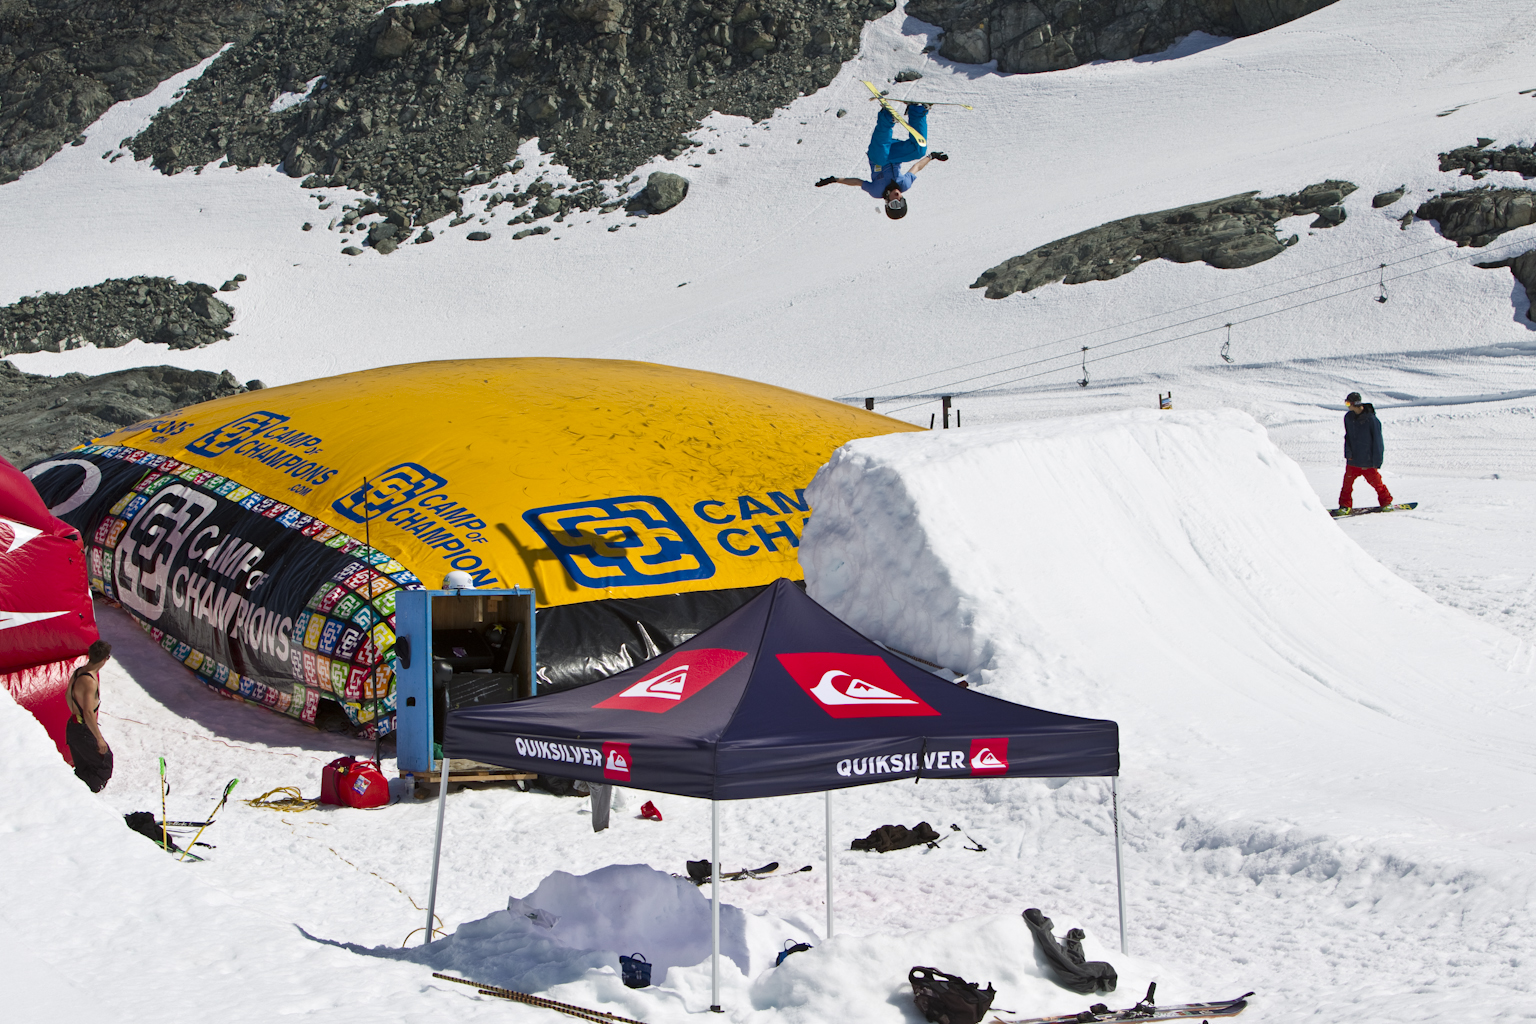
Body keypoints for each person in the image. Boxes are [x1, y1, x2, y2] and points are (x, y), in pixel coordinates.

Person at [815, 103, 948, 219]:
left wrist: (835, 180)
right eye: (901, 202)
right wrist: (931, 157)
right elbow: (917, 167)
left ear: (887, 202)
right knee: (919, 151)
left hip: (877, 152)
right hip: (894, 152)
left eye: (894, 203)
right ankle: (917, 111)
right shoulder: (904, 184)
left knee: (880, 159)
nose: (898, 198)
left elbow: (857, 182)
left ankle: (887, 117)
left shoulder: (876, 191)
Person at [66, 640, 114, 792]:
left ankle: (78, 794)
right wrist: (99, 738)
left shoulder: (78, 672)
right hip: (83, 730)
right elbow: (87, 712)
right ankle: (86, 796)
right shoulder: (90, 681)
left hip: (73, 726)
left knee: (83, 768)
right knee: (104, 764)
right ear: (105, 659)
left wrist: (76, 714)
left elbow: (68, 695)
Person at [1339, 391, 1394, 509]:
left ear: (1355, 404)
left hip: (1367, 462)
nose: (1347, 406)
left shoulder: (1372, 420)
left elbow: (1378, 442)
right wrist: (1348, 454)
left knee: (1377, 484)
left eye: (1348, 403)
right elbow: (1348, 437)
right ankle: (1344, 506)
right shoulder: (1348, 417)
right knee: (1346, 485)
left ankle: (1386, 503)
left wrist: (1377, 462)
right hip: (1353, 460)